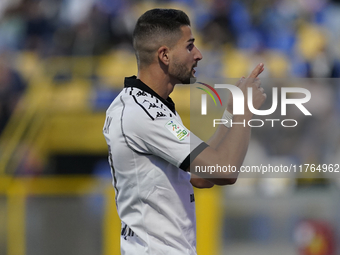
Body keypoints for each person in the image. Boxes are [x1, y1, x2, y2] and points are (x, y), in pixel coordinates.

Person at [103, 8, 266, 255]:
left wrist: (231, 113)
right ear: (165, 55)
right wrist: (246, 111)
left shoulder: (151, 107)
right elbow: (225, 171)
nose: (198, 55)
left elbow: (201, 177)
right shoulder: (144, 114)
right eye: (190, 46)